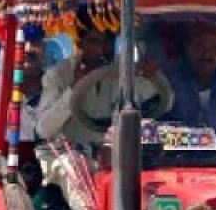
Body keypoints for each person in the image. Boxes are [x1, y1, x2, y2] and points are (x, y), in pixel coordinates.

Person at [37, 14, 171, 149]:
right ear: (81, 43)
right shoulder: (59, 75)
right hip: (75, 158)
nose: (101, 49)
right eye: (94, 41)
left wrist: (152, 75)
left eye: (108, 41)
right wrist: (73, 89)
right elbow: (44, 129)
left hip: (121, 154)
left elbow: (166, 103)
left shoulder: (126, 69)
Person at [161, 19, 216, 163]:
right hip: (172, 163)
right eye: (199, 47)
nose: (207, 54)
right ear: (187, 48)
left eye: (214, 48)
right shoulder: (169, 80)